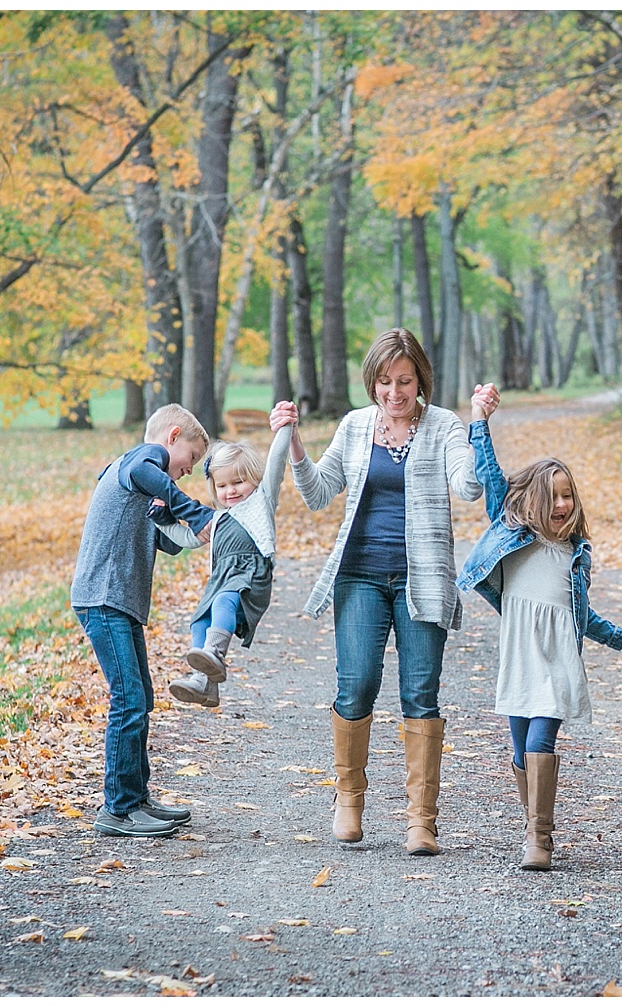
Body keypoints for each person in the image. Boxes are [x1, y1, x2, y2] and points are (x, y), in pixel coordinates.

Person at [284, 328, 483, 856]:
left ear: (421, 380)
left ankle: (422, 821)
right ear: (371, 381)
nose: (395, 392)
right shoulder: (354, 427)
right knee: (358, 685)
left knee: (421, 693)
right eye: (384, 381)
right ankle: (348, 800)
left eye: (405, 381)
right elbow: (317, 493)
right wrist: (296, 442)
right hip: (360, 574)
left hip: (423, 578)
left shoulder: (443, 427)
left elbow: (468, 486)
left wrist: (481, 426)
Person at [457, 383, 622, 871]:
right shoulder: (513, 533)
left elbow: (580, 616)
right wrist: (479, 421)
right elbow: (491, 476)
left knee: (542, 740)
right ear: (532, 503)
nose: (563, 504)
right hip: (521, 655)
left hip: (557, 658)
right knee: (520, 747)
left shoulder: (575, 556)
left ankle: (539, 839)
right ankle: (531, 826)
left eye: (568, 496)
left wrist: (619, 638)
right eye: (553, 497)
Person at [71, 403, 215, 838]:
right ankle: (117, 809)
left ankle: (136, 798)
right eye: (189, 460)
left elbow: (170, 540)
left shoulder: (149, 487)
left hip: (121, 604)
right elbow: (158, 477)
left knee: (141, 698)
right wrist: (193, 509)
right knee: (128, 699)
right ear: (171, 438)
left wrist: (208, 528)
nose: (185, 472)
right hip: (103, 598)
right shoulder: (140, 460)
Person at [156, 402, 297, 709]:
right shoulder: (216, 519)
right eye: (222, 485)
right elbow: (186, 538)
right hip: (222, 578)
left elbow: (276, 461)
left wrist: (285, 427)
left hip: (250, 574)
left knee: (223, 602)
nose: (230, 491)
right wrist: (162, 520)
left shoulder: (261, 502)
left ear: (255, 480)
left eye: (237, 482)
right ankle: (203, 683)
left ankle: (215, 656)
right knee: (198, 621)